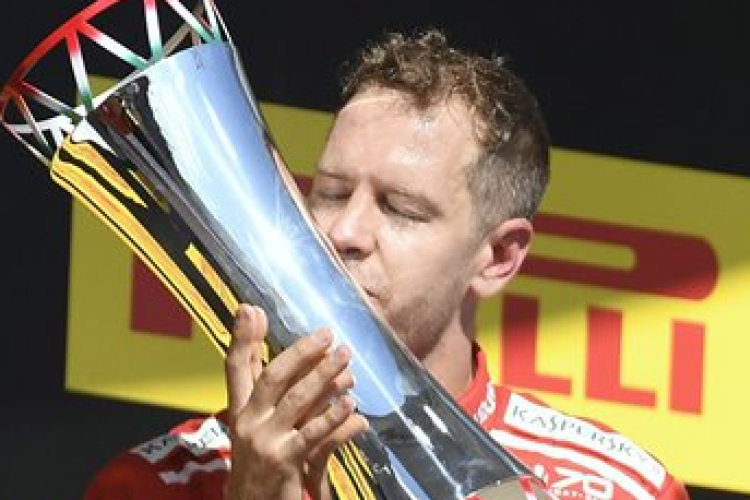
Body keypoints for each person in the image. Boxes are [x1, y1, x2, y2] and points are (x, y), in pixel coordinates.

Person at [84, 29, 689, 500]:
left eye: (402, 209)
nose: (344, 233)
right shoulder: (157, 483)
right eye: (331, 192)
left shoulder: (615, 487)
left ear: (498, 257)